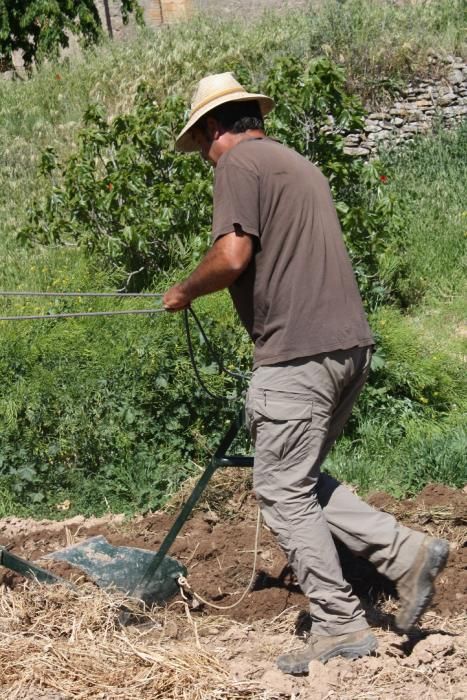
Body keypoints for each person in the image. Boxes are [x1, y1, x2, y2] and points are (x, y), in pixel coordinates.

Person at [163, 72, 449, 675]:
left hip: (296, 354)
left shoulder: (237, 167)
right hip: (348, 346)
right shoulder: (298, 164)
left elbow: (232, 255)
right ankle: (407, 555)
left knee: (278, 489)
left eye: (202, 143)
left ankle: (339, 624)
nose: (204, 155)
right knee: (298, 479)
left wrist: (186, 290)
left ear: (216, 128)